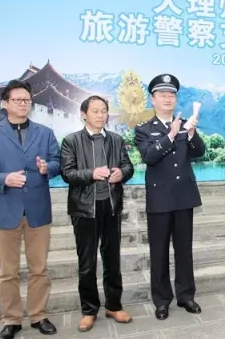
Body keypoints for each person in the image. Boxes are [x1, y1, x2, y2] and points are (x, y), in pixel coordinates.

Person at [0, 80, 60, 339]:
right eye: (17, 100)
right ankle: (11, 320)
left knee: (39, 268)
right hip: (5, 210)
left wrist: (47, 168)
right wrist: (4, 179)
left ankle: (38, 315)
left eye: (27, 100)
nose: (23, 104)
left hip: (37, 210)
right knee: (7, 272)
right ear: (5, 103)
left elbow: (57, 162)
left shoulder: (45, 133)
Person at [134, 74, 206, 320]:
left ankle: (186, 295)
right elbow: (149, 157)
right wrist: (171, 135)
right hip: (160, 199)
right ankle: (162, 300)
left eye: (171, 95)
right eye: (162, 95)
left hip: (184, 197)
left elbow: (199, 152)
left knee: (184, 250)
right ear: (152, 99)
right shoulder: (144, 129)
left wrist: (191, 133)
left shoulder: (185, 123)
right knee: (159, 251)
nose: (168, 99)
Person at [60, 95, 135, 332]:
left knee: (112, 259)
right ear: (84, 114)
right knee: (87, 263)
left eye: (104, 110)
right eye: (95, 111)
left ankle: (114, 305)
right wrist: (92, 174)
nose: (101, 115)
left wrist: (122, 174)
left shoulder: (116, 139)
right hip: (85, 209)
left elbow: (128, 166)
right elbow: (67, 173)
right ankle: (89, 310)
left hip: (111, 206)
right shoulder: (71, 141)